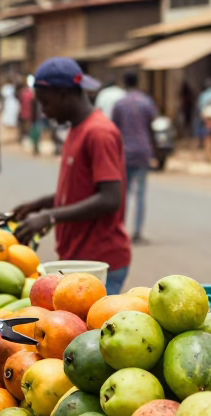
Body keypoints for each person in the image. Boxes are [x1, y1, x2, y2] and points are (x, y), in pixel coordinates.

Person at [12, 58, 131, 293]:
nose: (44, 112)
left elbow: (110, 198)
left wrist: (50, 216)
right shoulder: (77, 128)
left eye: (45, 103)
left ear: (64, 94)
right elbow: (80, 191)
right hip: (77, 258)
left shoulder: (99, 132)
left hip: (97, 262)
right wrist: (38, 205)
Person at [111, 72, 157, 244]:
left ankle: (120, 230)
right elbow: (151, 127)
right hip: (143, 151)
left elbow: (114, 130)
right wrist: (155, 151)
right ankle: (137, 232)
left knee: (124, 194)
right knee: (140, 194)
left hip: (124, 153)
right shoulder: (146, 102)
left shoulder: (119, 104)